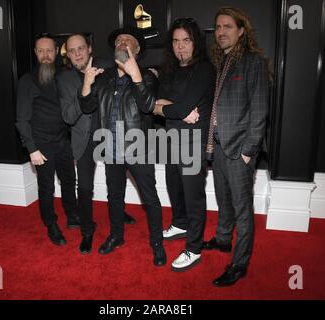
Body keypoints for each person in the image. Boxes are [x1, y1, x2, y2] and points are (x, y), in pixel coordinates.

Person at [79, 26, 166, 266]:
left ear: (137, 50)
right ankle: (116, 236)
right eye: (118, 40)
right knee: (114, 196)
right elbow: (86, 106)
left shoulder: (147, 76)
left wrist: (136, 75)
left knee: (150, 198)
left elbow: (148, 106)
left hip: (138, 147)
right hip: (111, 147)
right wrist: (87, 82)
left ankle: (157, 244)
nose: (122, 42)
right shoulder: (104, 76)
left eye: (128, 40)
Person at [204, 7, 269, 286]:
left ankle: (240, 264)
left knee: (243, 210)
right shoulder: (222, 61)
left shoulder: (253, 62)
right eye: (218, 27)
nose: (221, 32)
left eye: (227, 26)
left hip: (239, 149)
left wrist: (248, 151)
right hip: (218, 147)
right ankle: (222, 240)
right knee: (223, 199)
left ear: (241, 31)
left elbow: (259, 110)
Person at [56, 33, 136, 254]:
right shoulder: (64, 79)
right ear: (68, 55)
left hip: (110, 133)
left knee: (117, 181)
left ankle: (119, 213)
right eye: (72, 51)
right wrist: (86, 84)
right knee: (84, 188)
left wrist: (154, 72)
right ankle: (87, 231)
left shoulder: (108, 65)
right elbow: (69, 117)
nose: (77, 54)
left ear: (90, 48)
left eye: (80, 48)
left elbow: (134, 72)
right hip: (84, 139)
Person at [153, 18, 215, 271]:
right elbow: (155, 103)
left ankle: (194, 248)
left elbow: (173, 106)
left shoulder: (204, 70)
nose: (181, 47)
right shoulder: (170, 70)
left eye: (186, 40)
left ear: (195, 42)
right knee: (174, 186)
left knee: (193, 197)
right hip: (171, 139)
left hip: (193, 143)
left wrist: (168, 107)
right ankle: (179, 223)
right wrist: (172, 108)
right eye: (176, 41)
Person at [15, 33, 78, 246]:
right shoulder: (27, 80)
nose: (45, 55)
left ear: (57, 50)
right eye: (40, 51)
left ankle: (72, 216)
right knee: (47, 187)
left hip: (64, 141)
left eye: (49, 50)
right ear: (35, 53)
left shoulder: (65, 75)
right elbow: (21, 119)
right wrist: (31, 148)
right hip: (41, 145)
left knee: (69, 181)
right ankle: (51, 224)